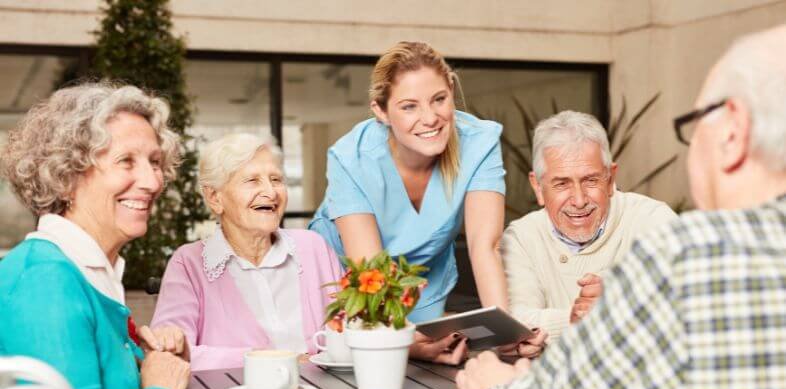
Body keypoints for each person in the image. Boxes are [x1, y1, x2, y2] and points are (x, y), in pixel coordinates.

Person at [453, 25, 786, 389]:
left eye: (694, 125)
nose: (580, 198)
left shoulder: (684, 258)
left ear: (731, 132)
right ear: (539, 185)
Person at [309, 41, 543, 364]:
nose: (430, 118)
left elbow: (483, 246)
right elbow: (371, 273)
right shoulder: (351, 158)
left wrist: (505, 338)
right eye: (409, 106)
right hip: (350, 280)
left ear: (451, 91)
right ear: (380, 111)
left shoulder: (479, 142)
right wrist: (408, 346)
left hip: (422, 277)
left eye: (439, 99)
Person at [0, 82, 191, 389]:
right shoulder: (44, 285)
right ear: (68, 176)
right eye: (126, 161)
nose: (153, 182)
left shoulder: (86, 271)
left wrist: (148, 360)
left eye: (154, 162)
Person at [151, 133, 344, 371]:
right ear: (214, 198)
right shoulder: (188, 263)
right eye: (252, 181)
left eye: (276, 179)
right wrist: (269, 359)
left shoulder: (313, 247)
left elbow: (352, 328)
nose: (270, 192)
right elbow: (173, 353)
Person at [502, 111, 676, 346]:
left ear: (610, 178)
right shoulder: (521, 237)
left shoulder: (654, 221)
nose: (579, 200)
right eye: (562, 183)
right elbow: (513, 322)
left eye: (590, 180)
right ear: (538, 187)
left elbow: (686, 301)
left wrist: (618, 300)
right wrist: (577, 319)